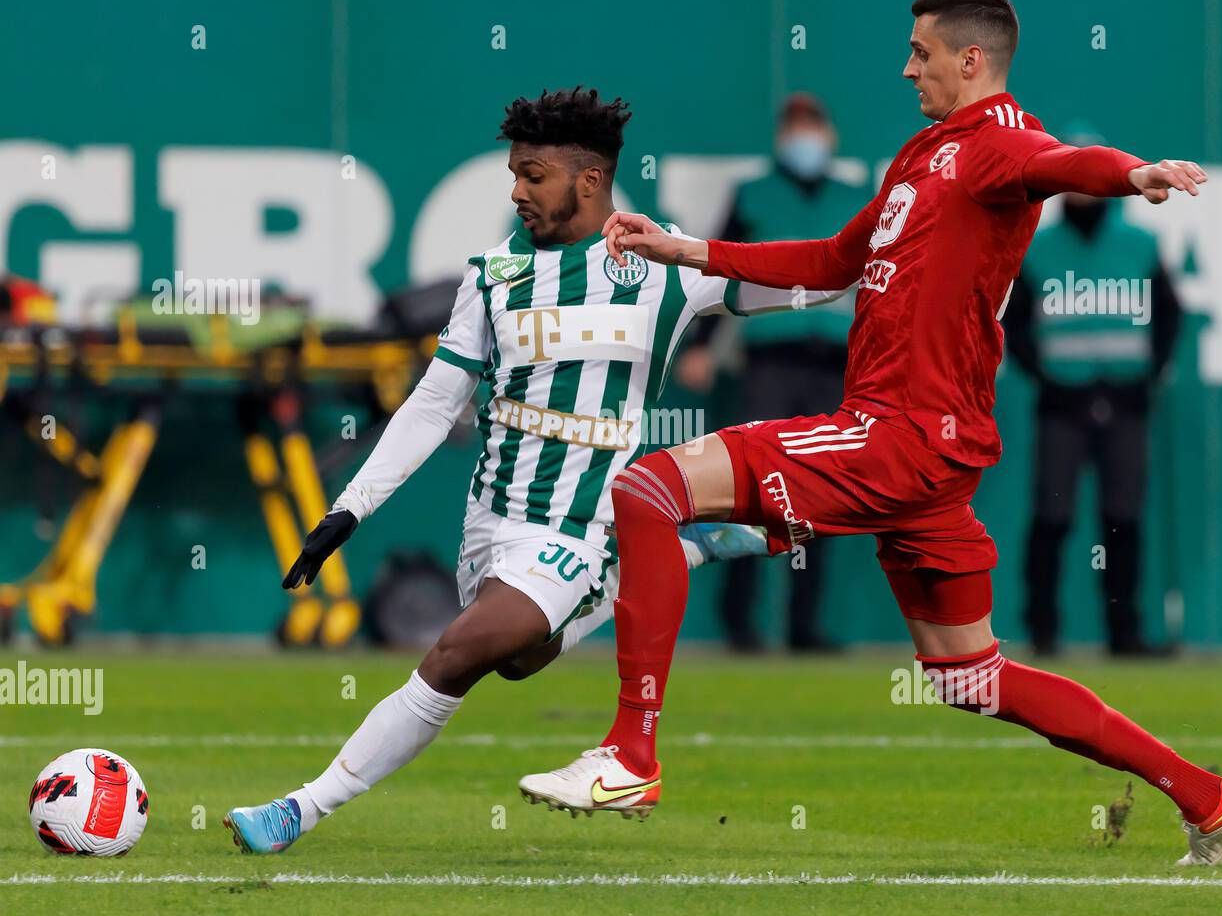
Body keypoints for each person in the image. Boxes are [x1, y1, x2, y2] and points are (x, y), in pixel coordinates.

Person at [519, 0, 1222, 867]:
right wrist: (684, 248)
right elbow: (835, 261)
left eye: (921, 52)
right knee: (969, 676)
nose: (907, 66)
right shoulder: (922, 156)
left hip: (900, 434)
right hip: (925, 455)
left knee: (647, 488)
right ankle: (1209, 795)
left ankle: (630, 755)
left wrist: (1131, 173)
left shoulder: (996, 147)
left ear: (971, 59)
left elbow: (1064, 163)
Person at [223, 86, 847, 852]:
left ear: (589, 181)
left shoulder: (662, 266)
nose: (516, 191)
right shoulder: (492, 276)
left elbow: (809, 279)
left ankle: (298, 809)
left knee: (457, 655)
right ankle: (673, 551)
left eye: (533, 175)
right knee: (518, 660)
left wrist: (914, 270)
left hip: (582, 521)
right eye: (513, 174)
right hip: (493, 524)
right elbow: (431, 404)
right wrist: (349, 510)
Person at [678, 93, 864, 652]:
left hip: (835, 363)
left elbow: (886, 281)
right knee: (753, 488)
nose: (803, 137)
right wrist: (703, 345)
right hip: (769, 361)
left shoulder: (859, 198)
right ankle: (741, 623)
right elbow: (722, 268)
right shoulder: (754, 193)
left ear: (829, 135)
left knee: (823, 493)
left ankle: (803, 625)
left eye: (812, 125)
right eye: (794, 126)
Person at [1002, 124, 1183, 657]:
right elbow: (1014, 325)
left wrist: (1150, 372)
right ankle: (1042, 630)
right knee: (1052, 516)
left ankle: (1124, 633)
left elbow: (1171, 315)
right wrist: (1045, 377)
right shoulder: (1038, 250)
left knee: (1123, 517)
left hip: (1126, 400)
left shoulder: (1140, 245)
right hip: (1062, 404)